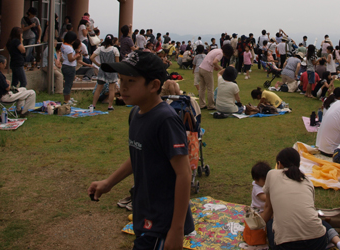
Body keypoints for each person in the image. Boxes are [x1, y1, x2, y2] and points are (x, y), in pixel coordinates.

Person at [89, 51, 194, 249]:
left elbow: (184, 173)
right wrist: (108, 183)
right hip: (144, 208)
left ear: (154, 85)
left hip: (163, 219)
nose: (123, 86)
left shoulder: (166, 120)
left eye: (131, 80)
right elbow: (139, 153)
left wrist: (177, 228)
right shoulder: (135, 113)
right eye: (120, 80)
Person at [261, 148, 340, 250]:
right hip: (317, 242)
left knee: (271, 223)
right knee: (316, 219)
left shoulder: (272, 174)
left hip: (286, 246)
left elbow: (268, 208)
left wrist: (257, 228)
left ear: (279, 164)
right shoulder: (307, 180)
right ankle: (339, 242)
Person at [197, 44, 234, 110]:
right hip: (207, 70)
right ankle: (211, 105)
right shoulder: (221, 53)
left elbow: (210, 60)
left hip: (201, 68)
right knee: (210, 88)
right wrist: (220, 68)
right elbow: (214, 62)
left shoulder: (216, 50)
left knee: (202, 88)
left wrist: (215, 67)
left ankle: (202, 104)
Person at [90, 34, 120, 111]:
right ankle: (110, 106)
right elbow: (117, 63)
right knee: (111, 89)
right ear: (112, 41)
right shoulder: (114, 50)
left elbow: (91, 57)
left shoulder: (100, 49)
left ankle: (93, 105)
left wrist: (98, 64)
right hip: (112, 70)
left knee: (98, 89)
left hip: (102, 70)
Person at [61, 32, 82, 104]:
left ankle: (68, 98)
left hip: (65, 65)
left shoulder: (63, 45)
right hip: (69, 66)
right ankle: (66, 100)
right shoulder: (69, 48)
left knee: (68, 83)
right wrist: (77, 56)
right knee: (68, 84)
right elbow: (70, 59)